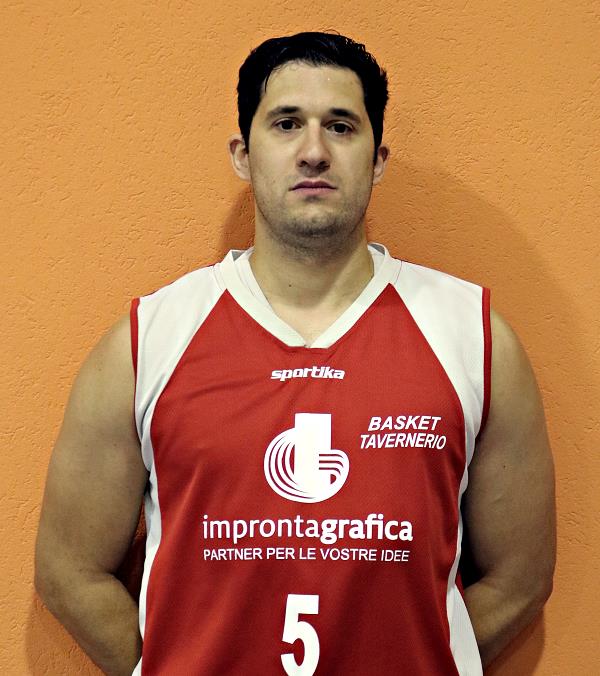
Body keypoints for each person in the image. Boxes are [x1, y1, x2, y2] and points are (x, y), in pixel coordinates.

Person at [35, 31, 556, 675]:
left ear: (378, 159)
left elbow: (520, 580)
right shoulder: (149, 342)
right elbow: (69, 570)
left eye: (341, 126)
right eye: (286, 124)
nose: (314, 151)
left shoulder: (473, 338)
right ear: (243, 154)